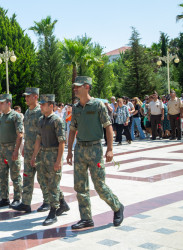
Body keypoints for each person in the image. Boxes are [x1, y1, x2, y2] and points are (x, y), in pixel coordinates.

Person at [67, 76, 124, 230]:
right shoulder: (76, 107)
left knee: (99, 185)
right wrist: (70, 151)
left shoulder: (98, 105)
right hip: (80, 149)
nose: (75, 89)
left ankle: (117, 207)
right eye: (74, 87)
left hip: (95, 149)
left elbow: (108, 127)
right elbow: (72, 129)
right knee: (80, 186)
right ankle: (86, 218)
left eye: (78, 86)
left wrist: (110, 149)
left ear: (87, 87)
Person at [12, 88, 54, 214]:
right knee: (27, 177)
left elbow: (42, 133)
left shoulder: (39, 112)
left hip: (39, 151)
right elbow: (27, 131)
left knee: (42, 178)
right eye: (25, 96)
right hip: (29, 149)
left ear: (36, 97)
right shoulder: (27, 112)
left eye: (28, 96)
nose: (26, 98)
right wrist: (24, 146)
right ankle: (26, 203)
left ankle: (49, 201)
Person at [28, 94, 67, 226]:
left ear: (51, 106)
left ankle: (53, 211)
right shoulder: (41, 120)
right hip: (44, 154)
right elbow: (38, 138)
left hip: (54, 154)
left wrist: (58, 161)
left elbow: (62, 142)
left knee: (53, 183)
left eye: (43, 104)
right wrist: (34, 155)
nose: (41, 106)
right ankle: (63, 203)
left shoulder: (57, 121)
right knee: (46, 181)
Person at [0, 94, 23, 208]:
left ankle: (17, 198)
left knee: (15, 175)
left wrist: (16, 150)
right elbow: (1, 133)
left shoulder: (15, 116)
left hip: (12, 148)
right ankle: (4, 198)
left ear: (9, 103)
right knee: (2, 174)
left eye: (2, 103)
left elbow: (20, 135)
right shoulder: (2, 117)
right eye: (0, 103)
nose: (0, 105)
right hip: (2, 149)